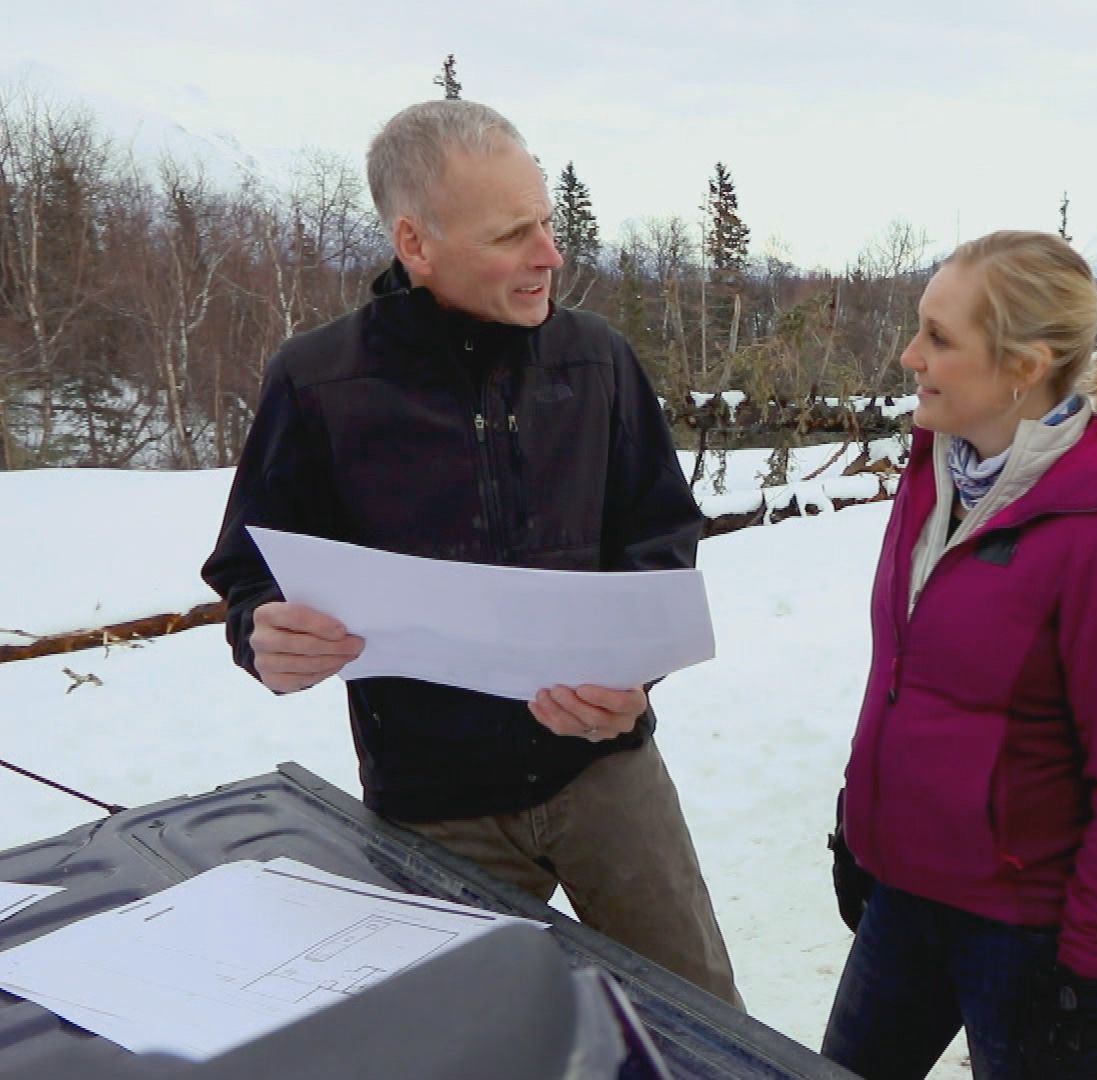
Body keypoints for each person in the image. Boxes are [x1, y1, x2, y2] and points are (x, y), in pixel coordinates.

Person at [201, 100, 738, 1005]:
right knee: (471, 1041)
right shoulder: (320, 380)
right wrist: (265, 633)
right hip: (433, 806)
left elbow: (659, 536)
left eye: (546, 222)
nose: (550, 255)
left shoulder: (597, 359)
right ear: (417, 243)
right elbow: (250, 567)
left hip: (606, 775)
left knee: (702, 1024)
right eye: (511, 234)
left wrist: (634, 680)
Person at [822, 230, 1097, 1079]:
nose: (910, 355)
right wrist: (861, 825)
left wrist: (1093, 978)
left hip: (1025, 937)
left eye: (940, 338)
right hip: (901, 899)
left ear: (1024, 366)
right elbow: (903, 675)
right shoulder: (934, 468)